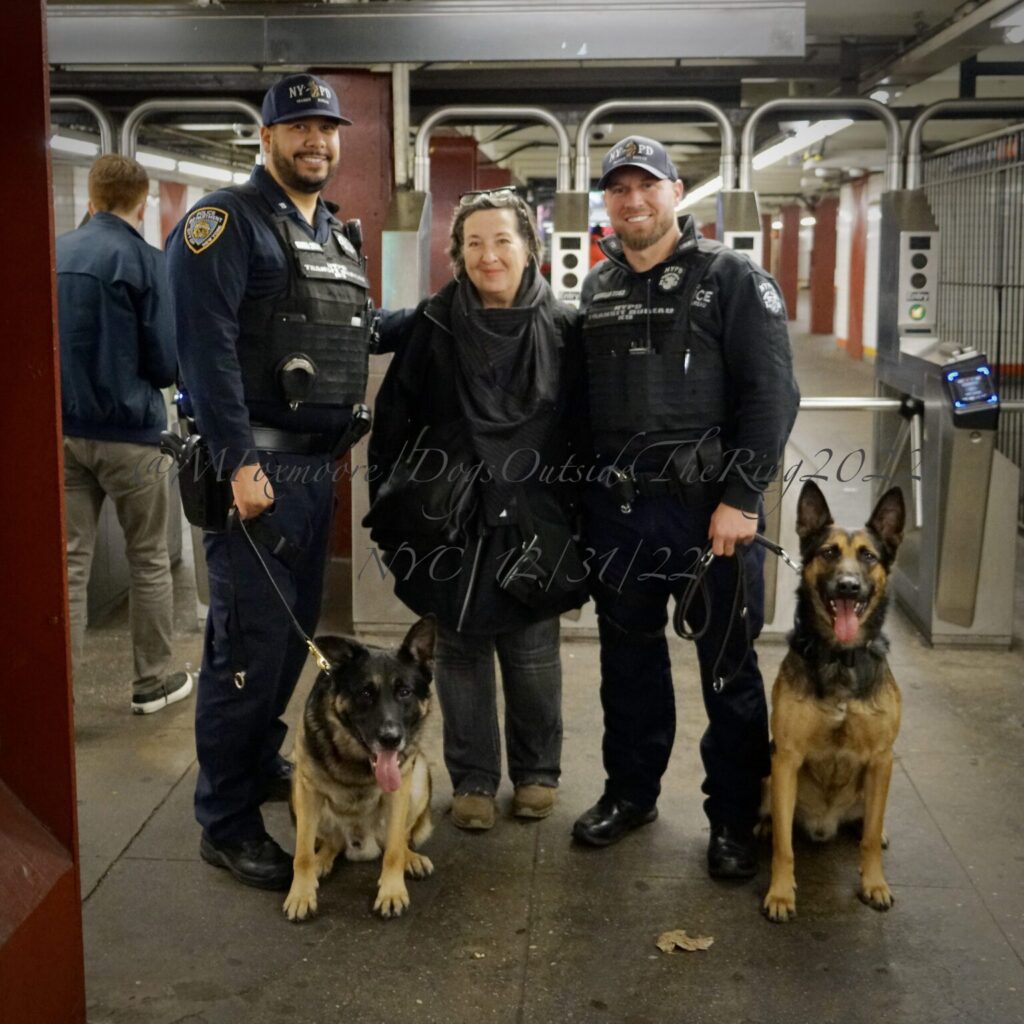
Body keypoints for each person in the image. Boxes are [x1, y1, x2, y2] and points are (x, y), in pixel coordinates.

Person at [571, 136, 800, 879]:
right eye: (618, 189)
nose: (633, 201)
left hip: (711, 517)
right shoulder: (596, 288)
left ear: (676, 193)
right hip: (619, 515)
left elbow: (773, 396)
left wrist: (742, 498)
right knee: (626, 668)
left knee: (728, 673)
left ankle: (734, 818)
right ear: (606, 202)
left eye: (648, 186)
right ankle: (630, 794)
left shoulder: (731, 278)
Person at [166, 74, 372, 890]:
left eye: (326, 128)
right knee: (244, 655)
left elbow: (349, 333)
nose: (314, 141)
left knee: (289, 647)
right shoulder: (227, 222)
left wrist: (447, 313)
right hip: (257, 471)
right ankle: (224, 819)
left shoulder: (329, 233)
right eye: (298, 128)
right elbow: (205, 349)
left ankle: (253, 765)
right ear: (267, 136)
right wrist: (238, 461)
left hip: (313, 473)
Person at [366, 189, 585, 831]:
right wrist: (396, 504)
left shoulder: (565, 328)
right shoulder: (434, 325)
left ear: (530, 249)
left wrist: (577, 512)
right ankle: (474, 781)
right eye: (475, 243)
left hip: (537, 512)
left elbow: (585, 428)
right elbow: (395, 420)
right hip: (451, 515)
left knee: (533, 648)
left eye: (503, 241)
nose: (490, 255)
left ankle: (538, 772)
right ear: (458, 255)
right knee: (459, 649)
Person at [57, 154, 192, 715]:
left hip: (60, 435)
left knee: (68, 566)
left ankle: (56, 695)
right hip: (133, 437)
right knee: (149, 560)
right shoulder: (145, 260)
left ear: (90, 198)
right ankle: (152, 682)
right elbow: (164, 363)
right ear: (142, 204)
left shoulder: (53, 254)